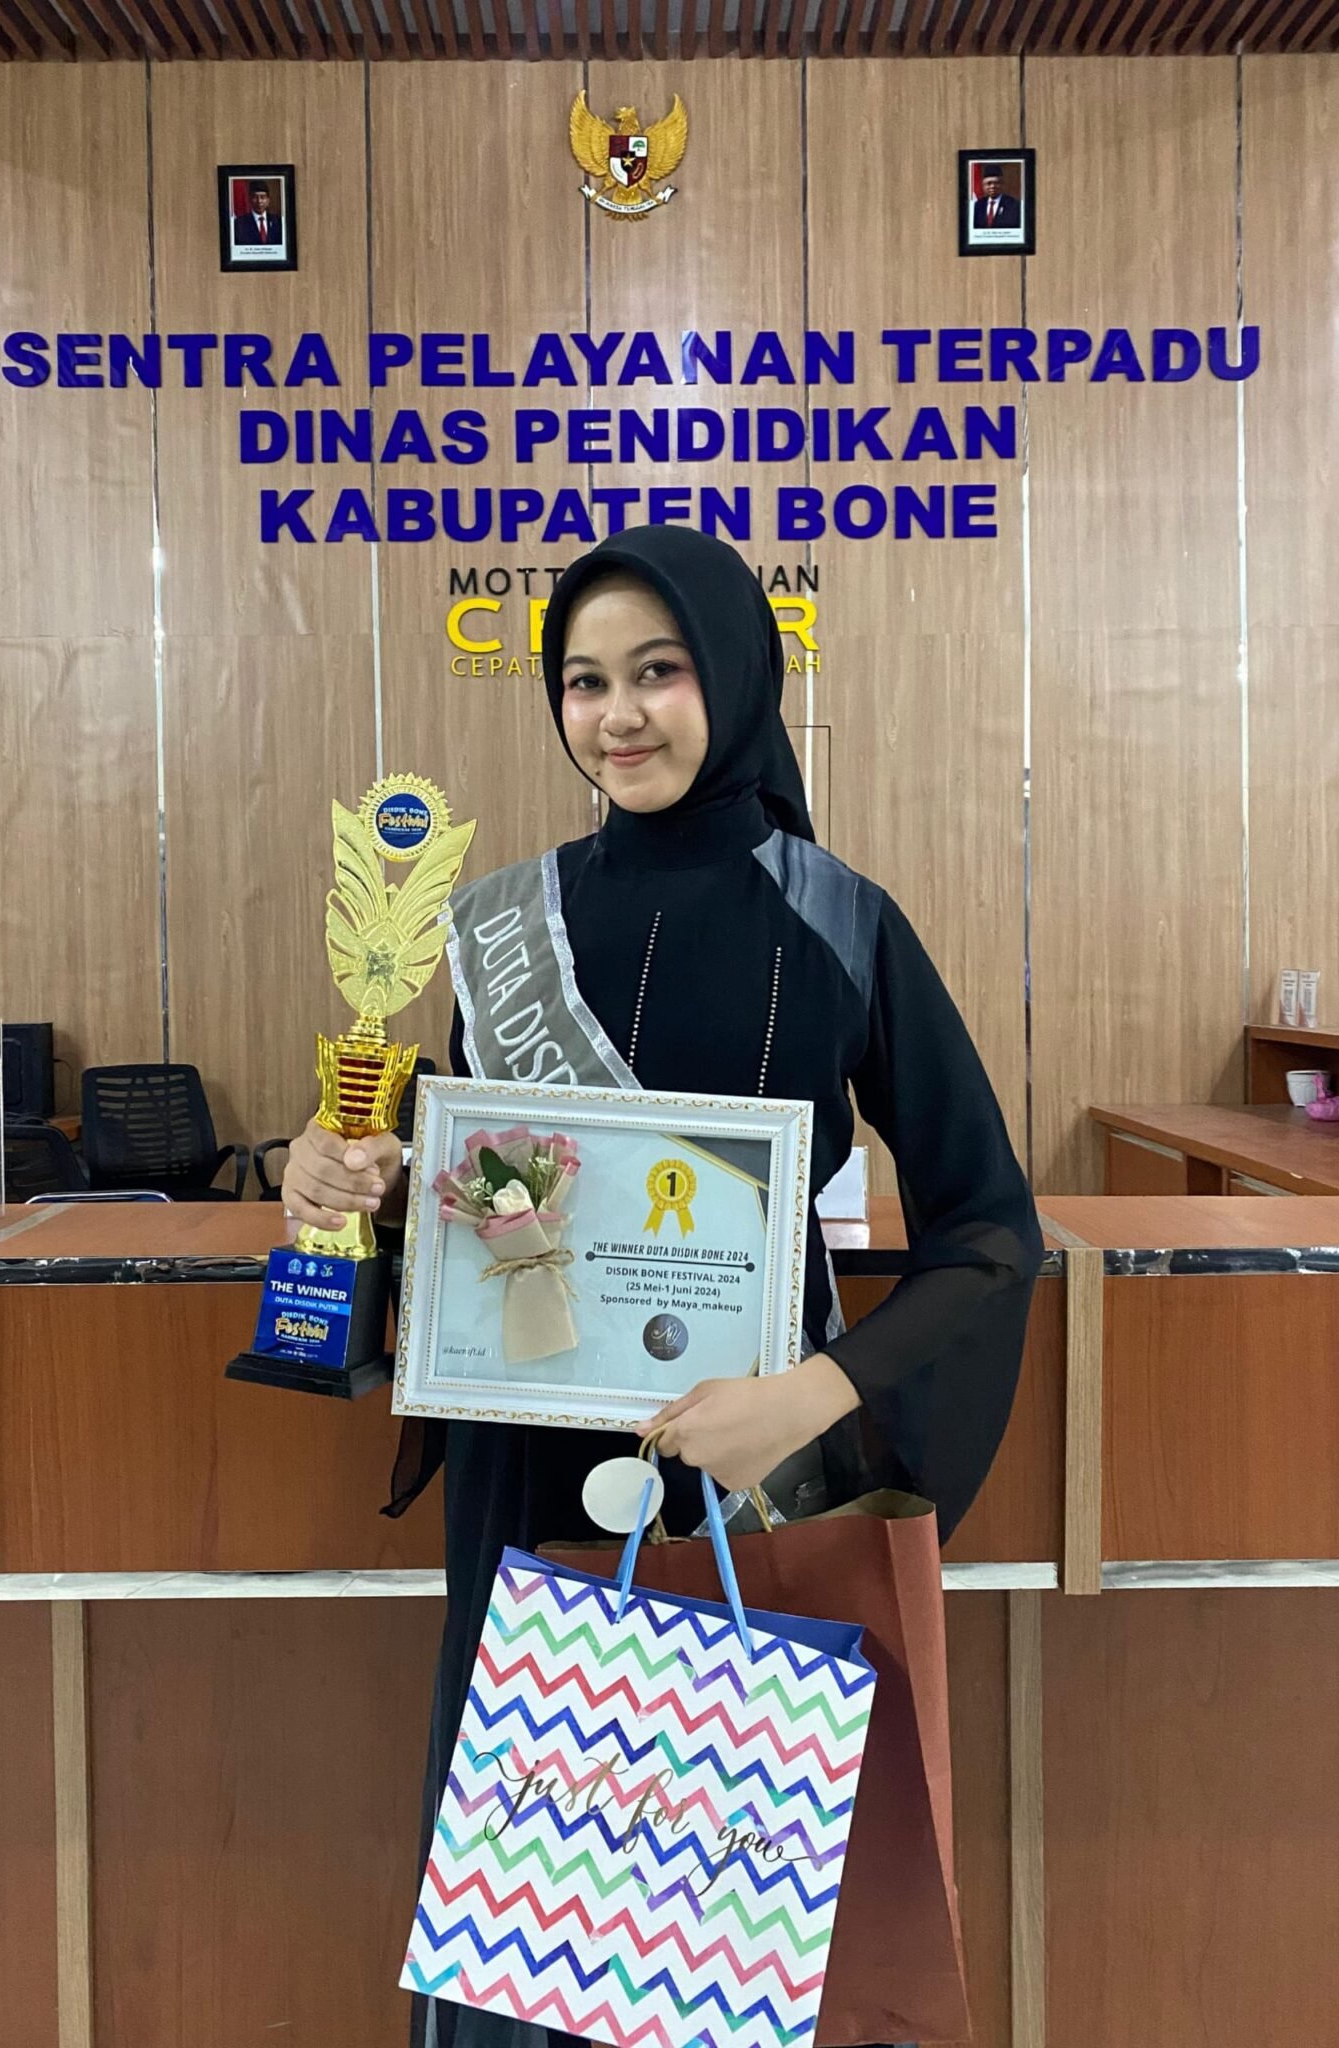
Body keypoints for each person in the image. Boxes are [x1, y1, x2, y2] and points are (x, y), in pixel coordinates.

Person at [281, 525, 1044, 2048]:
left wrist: (812, 1396)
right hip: (527, 1485)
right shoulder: (500, 922)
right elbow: (498, 1190)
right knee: (527, 1932)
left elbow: (989, 1231)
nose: (617, 715)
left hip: (744, 1483)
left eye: (658, 671)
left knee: (724, 1927)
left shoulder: (841, 920)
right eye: (583, 682)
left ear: (736, 676)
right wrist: (359, 1181)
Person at [233, 181, 282, 246]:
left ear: (268, 200)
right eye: (255, 197)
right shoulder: (239, 223)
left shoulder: (278, 221)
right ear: (250, 200)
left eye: (262, 197)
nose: (259, 201)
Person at [973, 165, 1020, 231]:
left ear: (1002, 185)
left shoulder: (1013, 205)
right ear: (983, 186)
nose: (992, 186)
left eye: (996, 183)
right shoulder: (978, 205)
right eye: (989, 183)